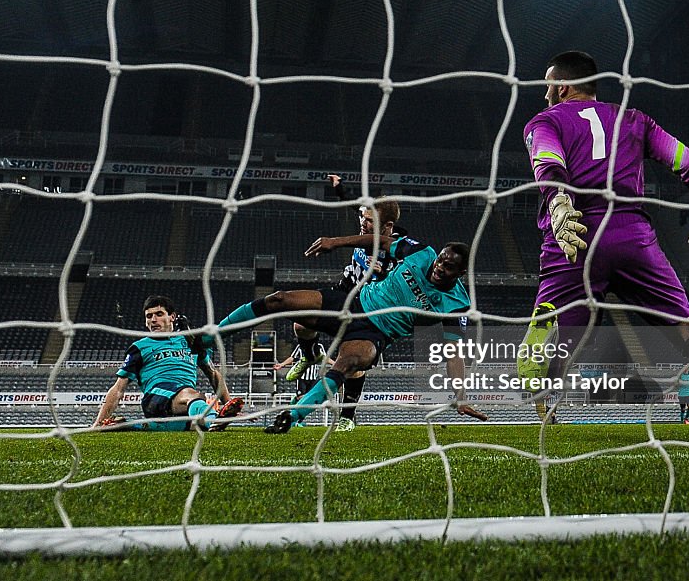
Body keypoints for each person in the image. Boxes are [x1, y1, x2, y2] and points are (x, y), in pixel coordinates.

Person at [519, 50, 689, 438]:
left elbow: (548, 161)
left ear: (561, 86)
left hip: (574, 234)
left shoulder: (545, 120)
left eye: (547, 86)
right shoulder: (635, 120)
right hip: (634, 238)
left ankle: (548, 386)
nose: (544, 94)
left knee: (564, 332)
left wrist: (560, 202)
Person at [205, 235, 490, 433]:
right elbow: (379, 241)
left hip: (375, 331)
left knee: (351, 361)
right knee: (279, 300)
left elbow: (454, 353)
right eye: (441, 260)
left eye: (449, 267)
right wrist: (334, 243)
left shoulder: (458, 304)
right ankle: (207, 338)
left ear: (461, 272)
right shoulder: (421, 254)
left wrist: (461, 395)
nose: (439, 267)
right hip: (351, 303)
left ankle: (293, 415)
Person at [281, 177, 409, 431]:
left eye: (369, 220)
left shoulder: (399, 248)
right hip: (344, 291)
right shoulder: (366, 224)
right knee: (300, 325)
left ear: (387, 226)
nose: (363, 222)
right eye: (363, 217)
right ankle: (310, 355)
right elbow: (353, 204)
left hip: (368, 307)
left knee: (352, 360)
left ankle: (347, 417)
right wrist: (339, 188)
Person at [92, 295, 245, 432]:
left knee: (195, 424)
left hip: (184, 405)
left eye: (159, 314)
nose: (153, 320)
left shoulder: (189, 340)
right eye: (149, 316)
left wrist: (229, 404)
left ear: (172, 317)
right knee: (193, 396)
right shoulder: (139, 347)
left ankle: (130, 425)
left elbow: (213, 373)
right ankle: (214, 420)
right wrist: (97, 423)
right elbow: (119, 388)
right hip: (156, 398)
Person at [273, 343, 335, 428]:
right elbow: (292, 358)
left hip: (313, 378)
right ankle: (292, 416)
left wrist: (335, 364)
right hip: (302, 377)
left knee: (309, 399)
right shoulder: (300, 346)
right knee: (300, 397)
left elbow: (325, 358)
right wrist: (281, 365)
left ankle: (297, 420)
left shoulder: (319, 346)